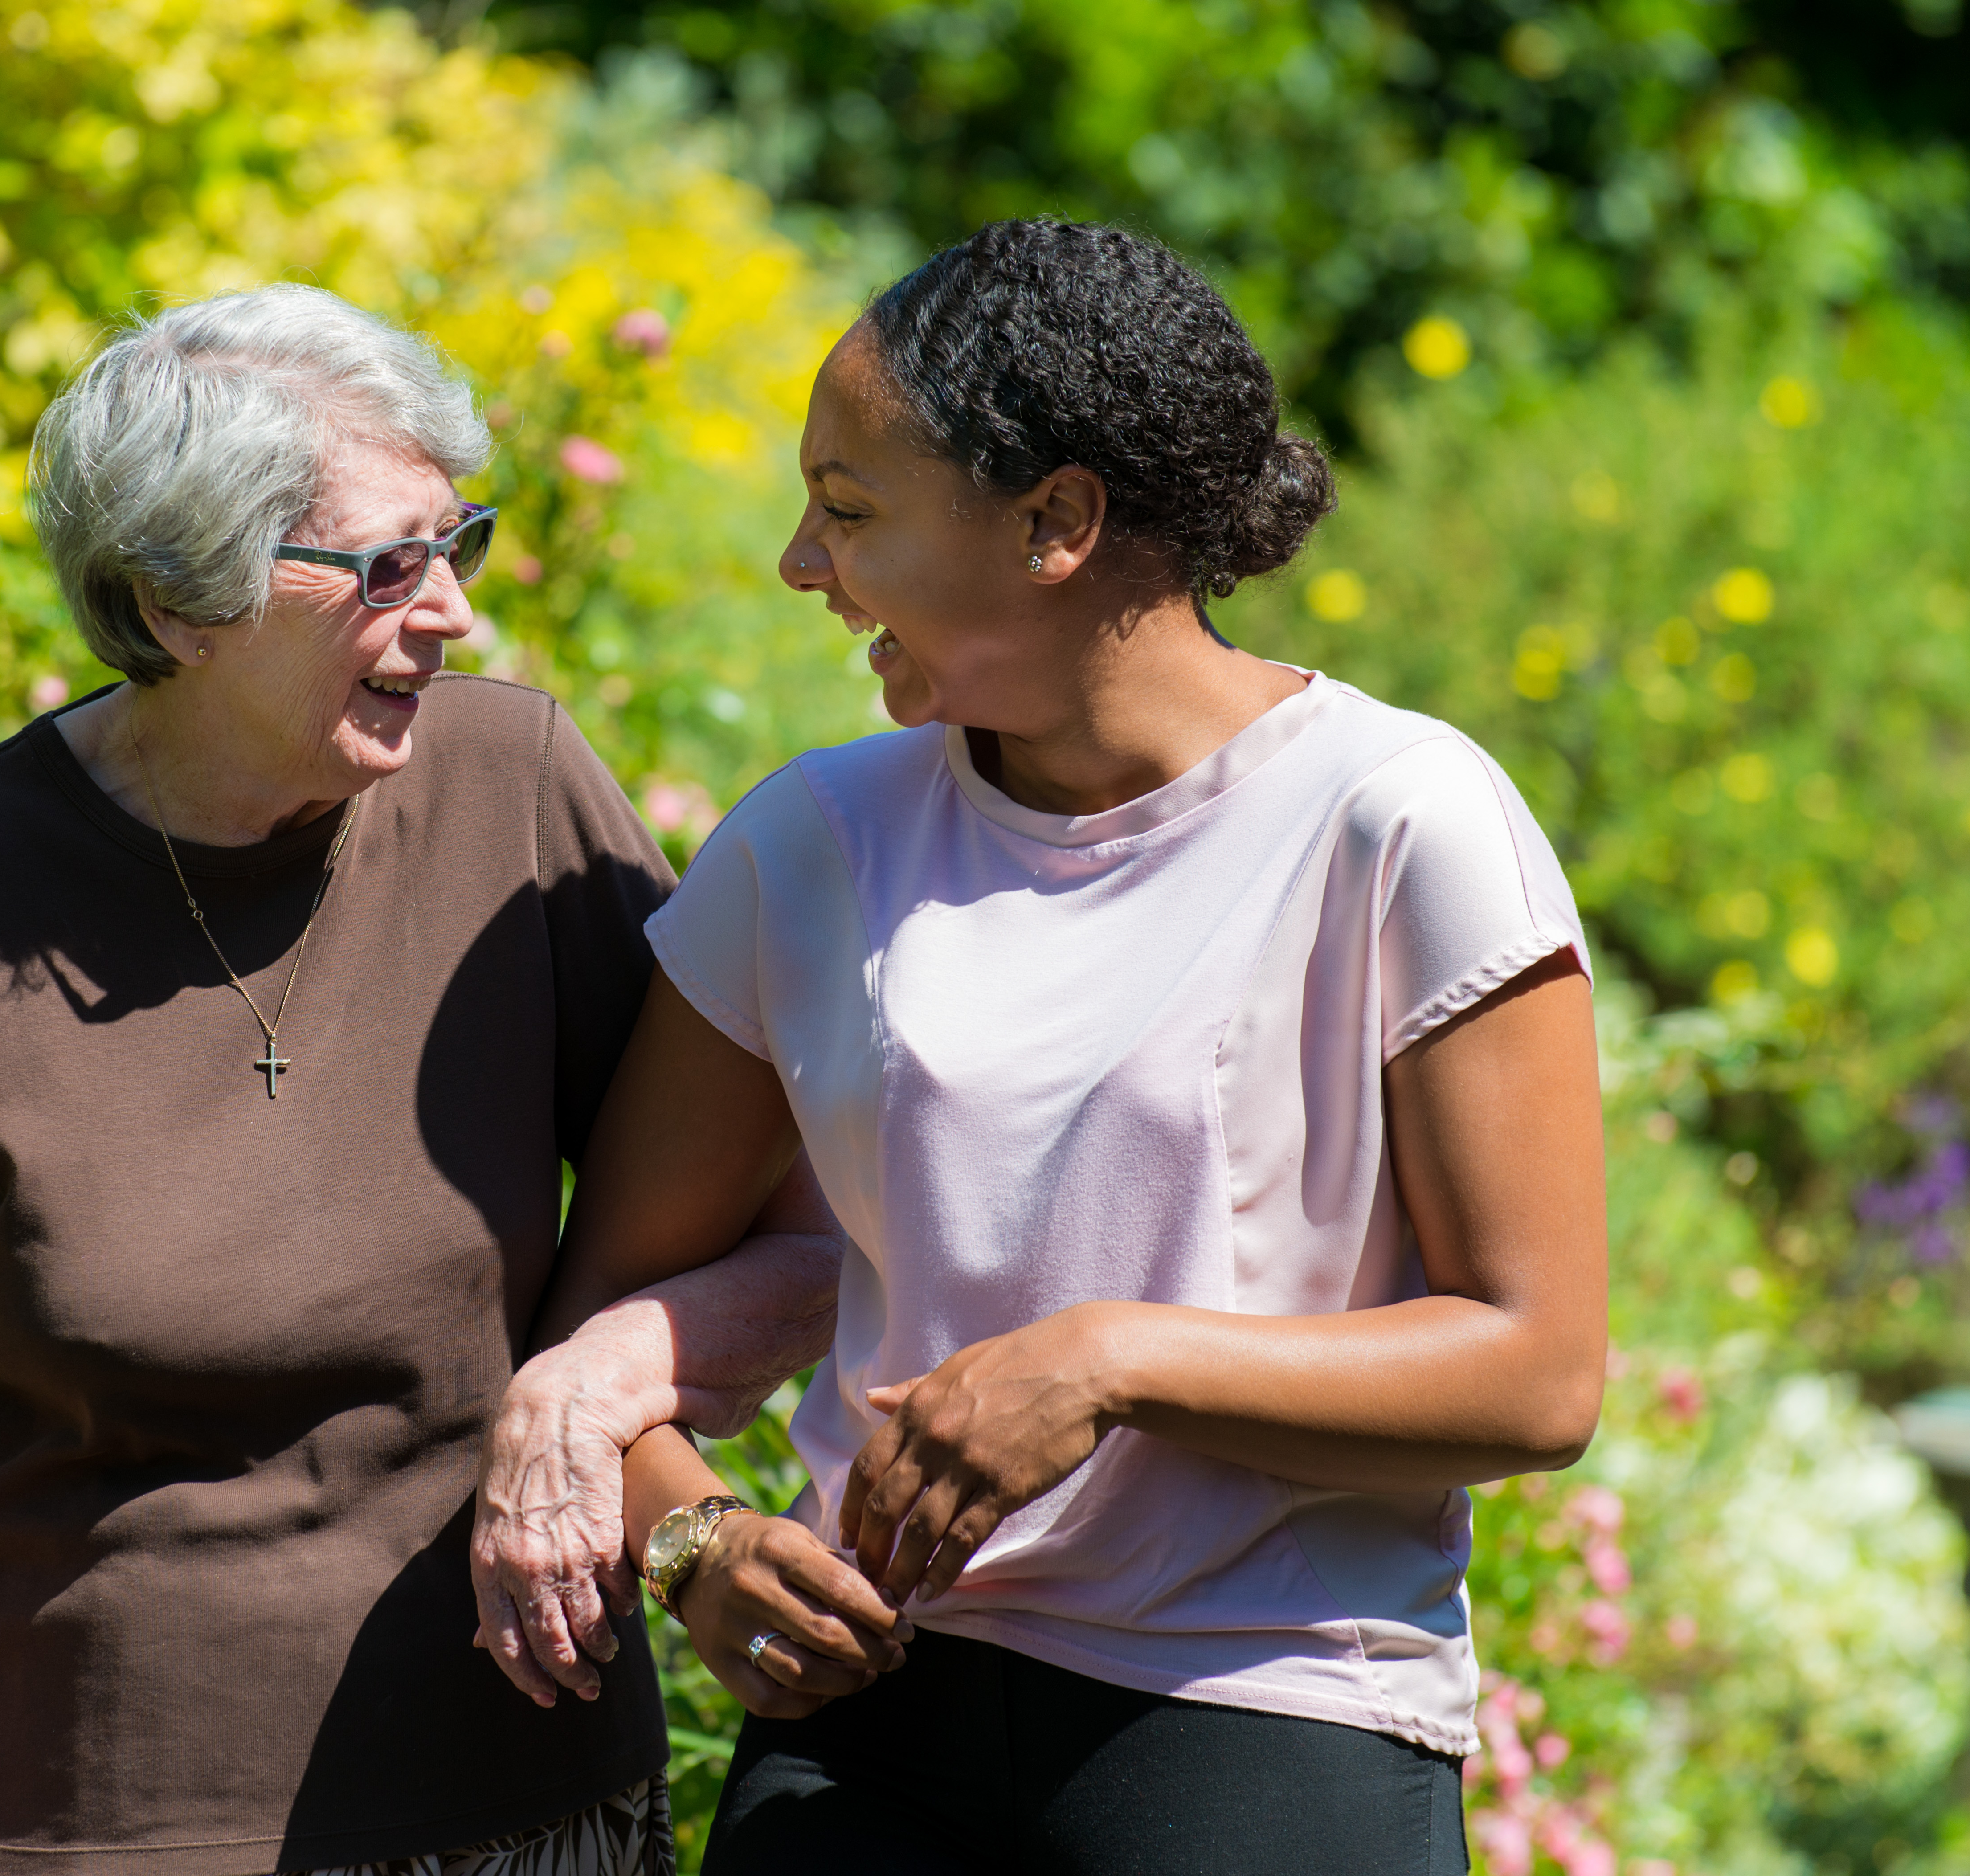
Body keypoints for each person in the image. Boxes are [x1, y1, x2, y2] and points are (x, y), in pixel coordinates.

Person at [473, 219, 1608, 1873]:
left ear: (1056, 520)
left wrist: (1107, 1362)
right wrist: (698, 1542)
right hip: (863, 1723)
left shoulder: (1399, 821)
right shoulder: (808, 844)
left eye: (850, 511)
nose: (802, 563)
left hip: (1265, 1711)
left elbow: (1535, 1373)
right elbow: (608, 1324)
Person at [0, 283, 839, 1876]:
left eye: (454, 539)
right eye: (388, 564)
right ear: (179, 602)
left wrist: (595, 1400)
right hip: (72, 1824)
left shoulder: (515, 797)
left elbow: (796, 1230)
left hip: (516, 1806)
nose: (451, 608)